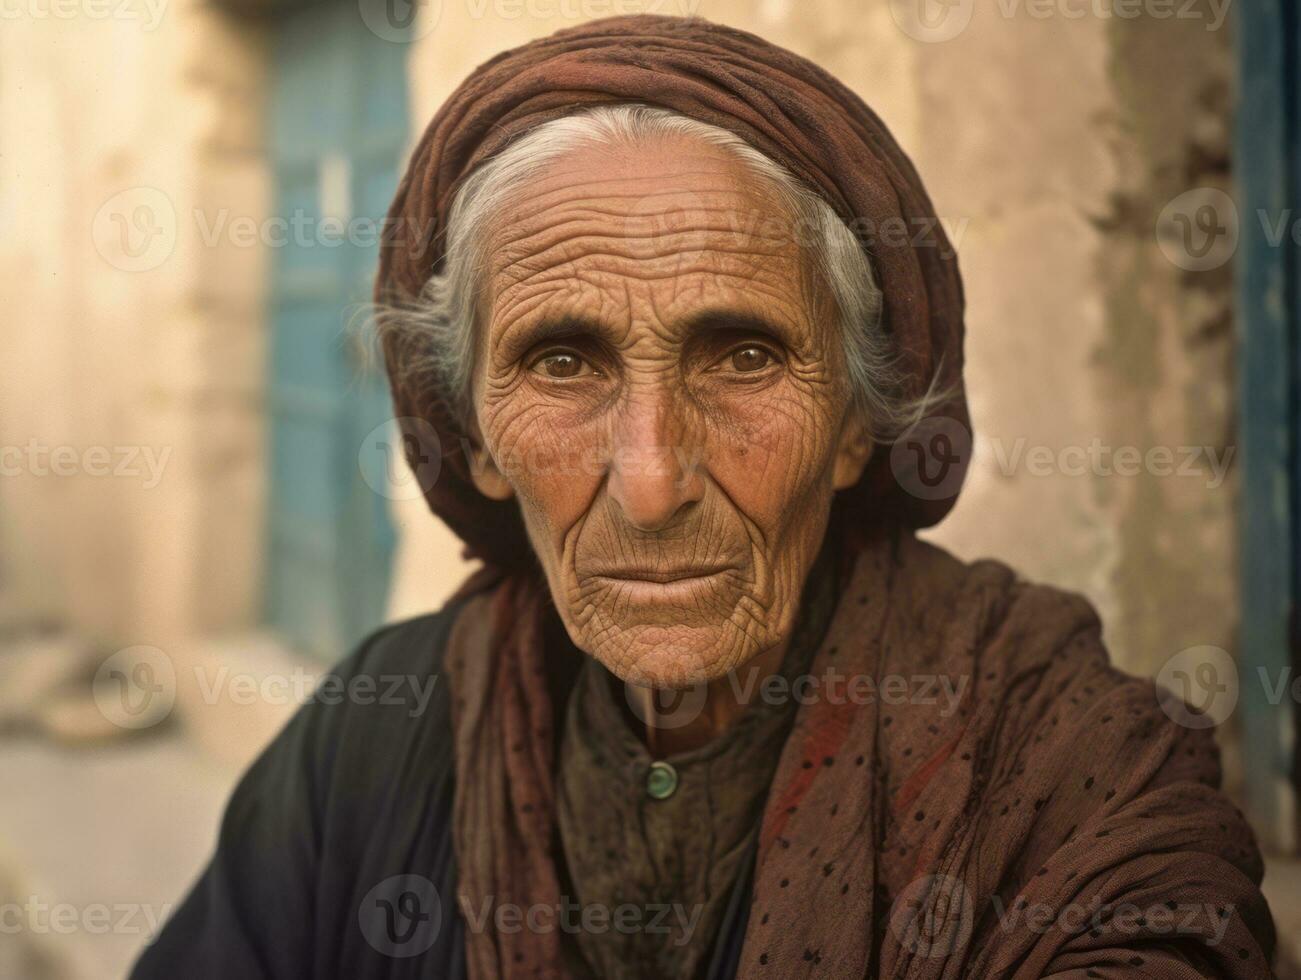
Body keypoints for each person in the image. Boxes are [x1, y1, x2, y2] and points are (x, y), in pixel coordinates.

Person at [133, 15, 1276, 979]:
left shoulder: (1061, 754)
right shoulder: (375, 737)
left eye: (740, 357)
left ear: (849, 424)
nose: (649, 480)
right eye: (562, 362)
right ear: (474, 437)